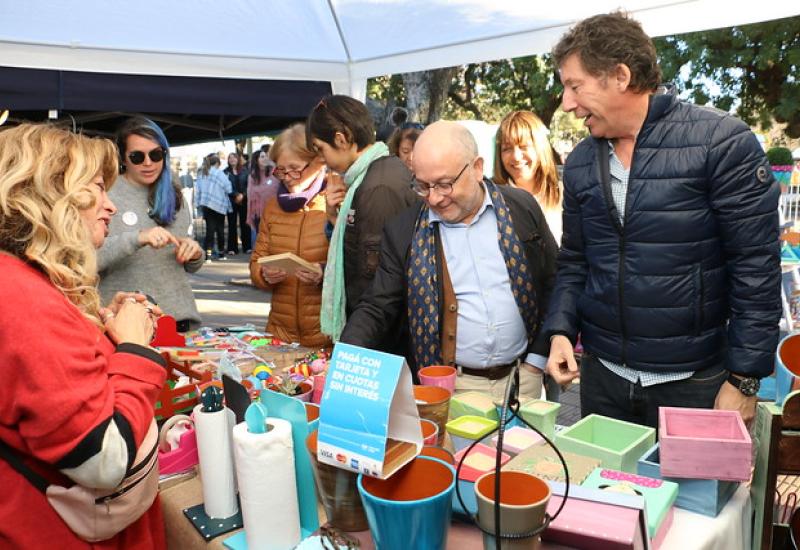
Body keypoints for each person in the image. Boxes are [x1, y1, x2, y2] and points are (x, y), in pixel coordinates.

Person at [543, 11, 781, 426]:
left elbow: (755, 270)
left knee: (696, 493)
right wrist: (561, 330)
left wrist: (744, 379)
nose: (567, 103)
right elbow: (576, 261)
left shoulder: (720, 142)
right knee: (608, 492)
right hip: (604, 380)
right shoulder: (581, 161)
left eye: (574, 85)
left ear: (620, 75)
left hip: (696, 383)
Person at [0, 123, 167, 548]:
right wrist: (133, 349)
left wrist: (96, 328)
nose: (109, 206)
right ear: (48, 193)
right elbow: (103, 459)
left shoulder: (20, 281)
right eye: (97, 188)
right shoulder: (21, 296)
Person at [340, 121, 558, 401]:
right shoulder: (403, 231)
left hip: (524, 377)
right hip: (449, 387)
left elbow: (555, 280)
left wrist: (537, 360)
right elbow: (377, 305)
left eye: (444, 184)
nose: (434, 198)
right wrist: (345, 358)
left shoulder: (521, 207)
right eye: (422, 186)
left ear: (477, 168)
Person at [306, 95, 418, 351]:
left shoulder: (378, 187)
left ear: (341, 138)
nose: (323, 160)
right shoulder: (370, 177)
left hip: (383, 343)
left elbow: (378, 285)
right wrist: (336, 218)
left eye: (321, 149)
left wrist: (354, 349)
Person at [99, 117, 204, 332]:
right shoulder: (105, 194)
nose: (148, 163)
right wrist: (136, 238)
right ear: (123, 159)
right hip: (127, 325)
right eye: (137, 157)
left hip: (179, 321)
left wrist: (194, 253)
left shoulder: (173, 192)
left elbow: (185, 264)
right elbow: (87, 259)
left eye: (156, 155)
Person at [249, 124, 332, 349]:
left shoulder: (334, 203)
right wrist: (264, 274)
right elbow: (256, 262)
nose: (287, 177)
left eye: (294, 169)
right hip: (280, 335)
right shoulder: (273, 207)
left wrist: (324, 273)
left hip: (325, 336)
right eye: (280, 170)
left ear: (318, 162)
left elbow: (353, 268)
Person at [493, 110, 563, 244]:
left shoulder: (564, 193)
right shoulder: (493, 199)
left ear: (540, 148)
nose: (516, 156)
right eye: (507, 149)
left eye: (524, 147)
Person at [194, 154, 233, 261]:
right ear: (217, 164)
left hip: (206, 205)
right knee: (220, 230)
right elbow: (228, 188)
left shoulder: (201, 173)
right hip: (219, 205)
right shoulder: (219, 173)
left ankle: (208, 256)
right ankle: (221, 254)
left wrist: (197, 205)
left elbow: (197, 191)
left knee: (209, 231)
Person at [246, 149, 279, 243]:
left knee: (273, 238)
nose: (265, 158)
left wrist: (272, 164)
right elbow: (251, 195)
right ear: (256, 160)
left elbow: (278, 187)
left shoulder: (274, 172)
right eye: (262, 156)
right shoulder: (252, 177)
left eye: (266, 156)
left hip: (274, 211)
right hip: (258, 213)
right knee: (260, 238)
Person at [224, 152, 251, 255]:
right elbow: (225, 186)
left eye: (234, 158)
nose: (232, 159)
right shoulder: (225, 172)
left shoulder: (245, 171)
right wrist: (235, 195)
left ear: (238, 159)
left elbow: (249, 186)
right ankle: (232, 248)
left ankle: (247, 247)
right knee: (232, 225)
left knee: (245, 224)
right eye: (230, 158)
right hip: (231, 201)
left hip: (244, 200)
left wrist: (242, 195)